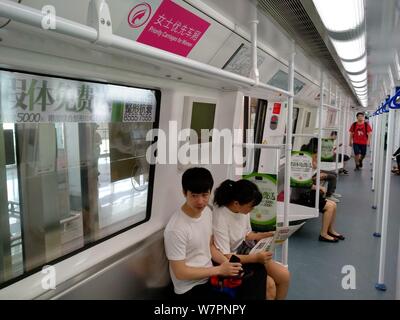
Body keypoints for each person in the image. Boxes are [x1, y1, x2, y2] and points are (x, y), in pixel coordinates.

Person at [164, 167, 266, 300]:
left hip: (209, 276)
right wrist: (219, 270)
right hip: (191, 288)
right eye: (194, 195)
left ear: (210, 192)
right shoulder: (176, 229)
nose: (200, 201)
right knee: (248, 288)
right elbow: (180, 273)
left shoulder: (206, 212)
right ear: (184, 193)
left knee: (259, 272)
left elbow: (210, 247)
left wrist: (228, 264)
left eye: (205, 195)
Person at [213, 179, 290, 300]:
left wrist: (269, 235)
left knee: (284, 275)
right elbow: (226, 256)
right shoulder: (221, 217)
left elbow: (247, 234)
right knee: (269, 285)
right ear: (236, 203)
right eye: (251, 206)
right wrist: (256, 258)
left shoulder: (243, 211)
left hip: (245, 250)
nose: (252, 209)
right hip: (232, 259)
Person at [300, 138, 341, 202]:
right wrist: (319, 173)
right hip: (312, 175)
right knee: (332, 177)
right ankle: (329, 195)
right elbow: (314, 166)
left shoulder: (305, 148)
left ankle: (331, 192)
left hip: (314, 171)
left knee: (334, 174)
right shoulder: (312, 153)